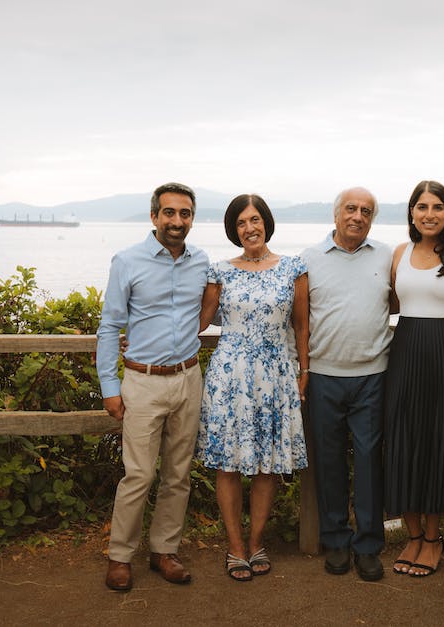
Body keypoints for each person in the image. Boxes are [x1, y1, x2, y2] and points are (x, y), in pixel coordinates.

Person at [97, 182, 208, 591]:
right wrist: (109, 385)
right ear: (154, 216)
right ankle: (120, 556)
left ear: (192, 218)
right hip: (142, 382)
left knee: (178, 474)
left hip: (188, 378)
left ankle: (164, 551)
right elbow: (110, 326)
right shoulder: (127, 261)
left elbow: (211, 308)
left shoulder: (202, 261)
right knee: (138, 475)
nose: (177, 221)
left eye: (185, 214)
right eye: (169, 213)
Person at [196, 194, 309, 582]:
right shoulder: (219, 272)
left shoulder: (293, 267)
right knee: (228, 464)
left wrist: (303, 371)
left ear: (267, 223)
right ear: (234, 230)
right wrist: (141, 337)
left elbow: (301, 326)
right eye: (242, 222)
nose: (250, 228)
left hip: (276, 374)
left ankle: (257, 540)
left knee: (266, 464)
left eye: (255, 219)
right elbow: (198, 323)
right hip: (230, 377)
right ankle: (235, 546)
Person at [383, 180, 444, 577]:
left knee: (440, 442)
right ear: (411, 213)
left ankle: (434, 539)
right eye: (421, 207)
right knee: (403, 440)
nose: (429, 214)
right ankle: (413, 535)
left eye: (437, 207)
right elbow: (387, 302)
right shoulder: (399, 253)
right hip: (404, 353)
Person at [301, 187, 392, 582]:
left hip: (372, 374)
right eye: (351, 209)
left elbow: (409, 294)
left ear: (372, 218)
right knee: (329, 461)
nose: (358, 216)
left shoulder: (387, 256)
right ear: (336, 214)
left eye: (366, 211)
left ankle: (369, 546)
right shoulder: (308, 259)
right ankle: (336, 540)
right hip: (323, 375)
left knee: (371, 463)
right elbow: (296, 317)